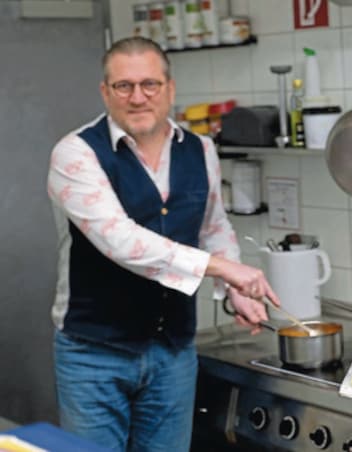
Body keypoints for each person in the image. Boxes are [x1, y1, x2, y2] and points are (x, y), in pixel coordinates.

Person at [47, 37, 277, 451]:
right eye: (124, 86)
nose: (138, 97)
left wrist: (234, 291)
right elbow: (120, 240)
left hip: (172, 352)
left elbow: (213, 225)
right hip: (94, 355)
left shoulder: (201, 149)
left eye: (150, 84)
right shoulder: (76, 154)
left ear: (170, 89)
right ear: (105, 91)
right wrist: (223, 269)